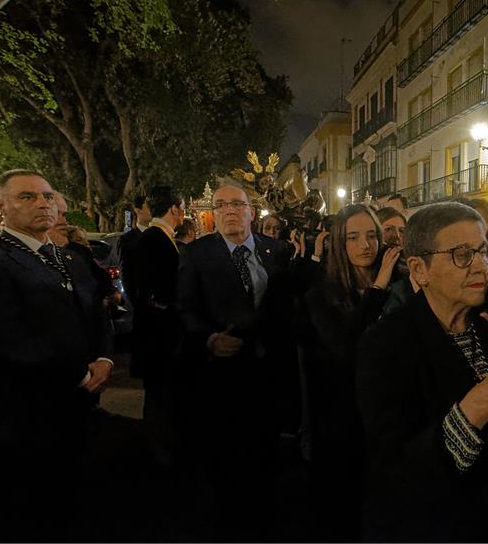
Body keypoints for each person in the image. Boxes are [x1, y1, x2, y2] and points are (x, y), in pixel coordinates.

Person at [357, 202, 488, 541]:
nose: (481, 267)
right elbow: (398, 472)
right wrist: (479, 404)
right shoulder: (385, 344)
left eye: (483, 251)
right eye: (461, 254)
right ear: (418, 269)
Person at [0, 169, 113, 541]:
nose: (43, 204)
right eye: (28, 197)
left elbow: (96, 313)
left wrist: (105, 358)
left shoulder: (69, 259)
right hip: (20, 417)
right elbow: (3, 339)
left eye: (47, 196)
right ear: (0, 206)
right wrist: (77, 373)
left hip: (79, 409)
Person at [175, 183, 294, 541]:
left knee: (267, 455)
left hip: (269, 372)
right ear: (213, 212)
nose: (230, 210)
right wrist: (209, 340)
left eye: (237, 204)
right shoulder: (196, 253)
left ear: (251, 211)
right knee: (225, 460)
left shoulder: (279, 250)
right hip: (221, 374)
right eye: (221, 205)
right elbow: (184, 308)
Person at [301, 204, 401, 541]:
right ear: (340, 244)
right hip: (344, 421)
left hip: (390, 415)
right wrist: (376, 292)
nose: (365, 245)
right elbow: (345, 347)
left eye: (372, 235)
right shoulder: (321, 295)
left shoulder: (400, 287)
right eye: (354, 237)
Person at [133, 186, 184, 470]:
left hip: (159, 333)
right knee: (158, 397)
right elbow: (158, 292)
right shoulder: (154, 240)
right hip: (158, 336)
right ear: (175, 209)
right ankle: (160, 456)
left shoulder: (158, 238)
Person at [117, 191, 151, 307]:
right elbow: (126, 274)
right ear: (138, 210)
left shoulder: (159, 235)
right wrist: (136, 304)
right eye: (148, 206)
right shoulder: (127, 240)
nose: (152, 209)